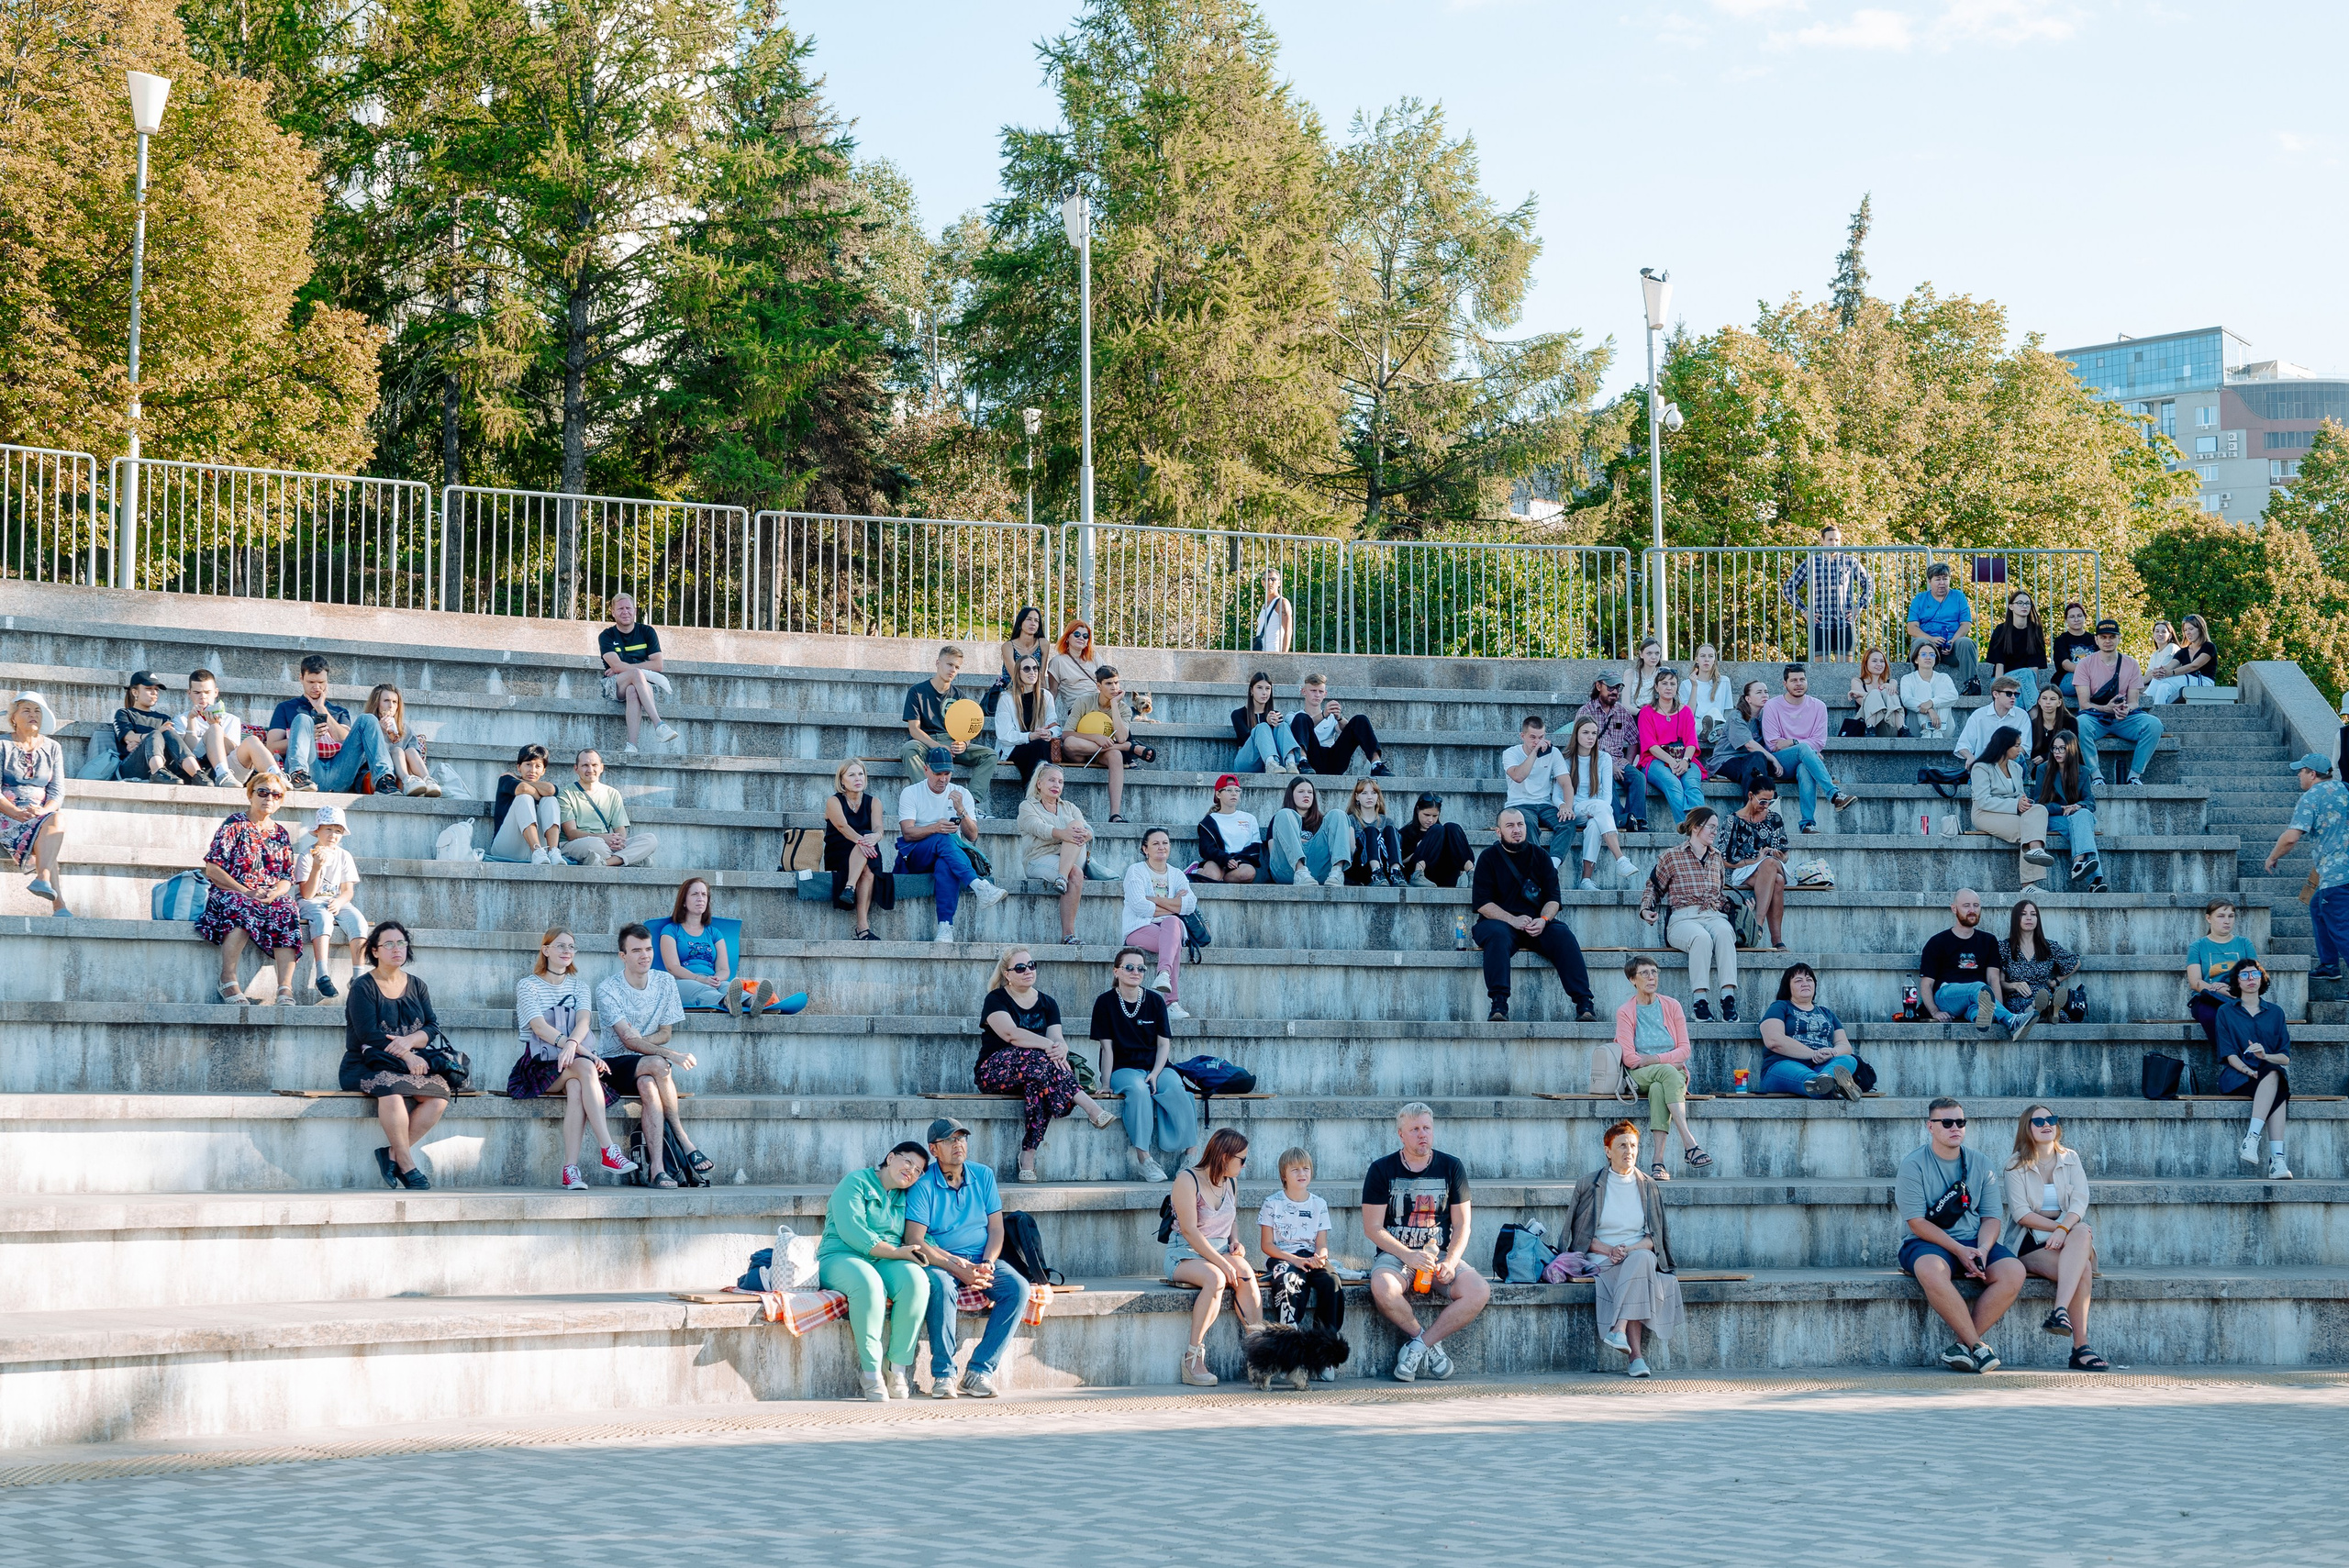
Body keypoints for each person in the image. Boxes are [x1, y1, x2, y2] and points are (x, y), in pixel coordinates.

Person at [1362, 1104, 1488, 1382]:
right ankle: (1424, 1341)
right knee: (1382, 1288)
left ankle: (1420, 1345)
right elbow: (1372, 1228)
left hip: (1439, 1254)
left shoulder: (1451, 1166)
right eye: (1415, 1129)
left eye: (1427, 1128)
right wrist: (1408, 1255)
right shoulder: (1381, 1169)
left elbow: (1463, 1224)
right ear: (1401, 1134)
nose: (1422, 1135)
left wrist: (1452, 1261)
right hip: (1397, 1254)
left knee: (1479, 1291)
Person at [1898, 1097, 2023, 1373]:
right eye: (1947, 1122)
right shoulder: (1913, 1164)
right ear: (1930, 1126)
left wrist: (1983, 1250)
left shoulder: (1981, 1162)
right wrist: (1957, 1250)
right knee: (1930, 1270)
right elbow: (1917, 1222)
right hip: (1928, 1241)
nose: (1955, 1127)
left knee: (2014, 1271)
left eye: (1960, 1122)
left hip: (1974, 1241)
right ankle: (1978, 1345)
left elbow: (1992, 1217)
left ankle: (1961, 1346)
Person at [904, 1117, 1026, 1400]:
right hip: (941, 1260)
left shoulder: (983, 1175)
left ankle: (979, 1372)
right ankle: (944, 1374)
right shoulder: (923, 1186)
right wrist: (958, 1269)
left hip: (981, 1257)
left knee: (1017, 1288)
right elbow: (914, 1240)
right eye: (949, 1140)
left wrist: (988, 1262)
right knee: (943, 1287)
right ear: (934, 1149)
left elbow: (996, 1228)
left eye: (961, 1138)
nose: (958, 1144)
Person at [507, 927, 639, 1190]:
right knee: (586, 1068)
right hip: (540, 1064)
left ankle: (571, 1170)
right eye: (560, 946)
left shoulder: (580, 986)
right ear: (546, 950)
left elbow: (584, 1021)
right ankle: (608, 1149)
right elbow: (538, 1027)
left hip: (574, 1059)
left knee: (578, 1083)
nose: (567, 951)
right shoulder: (528, 985)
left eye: (571, 947)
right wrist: (570, 1046)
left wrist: (574, 1045)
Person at [977, 945, 1113, 1182]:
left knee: (1039, 1083)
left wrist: (1061, 1048)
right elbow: (1011, 1035)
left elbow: (1057, 1038)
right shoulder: (996, 999)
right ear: (1007, 974)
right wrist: (1049, 1047)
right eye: (1020, 968)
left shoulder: (1048, 1003)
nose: (1028, 970)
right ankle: (1091, 1108)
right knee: (1037, 1058)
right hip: (995, 1071)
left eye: (1031, 965)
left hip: (1037, 1072)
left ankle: (1027, 1156)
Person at [817, 1140, 933, 1401]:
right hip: (842, 1255)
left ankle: (897, 1368)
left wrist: (951, 1260)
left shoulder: (906, 1197)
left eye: (918, 1171)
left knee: (917, 1282)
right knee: (869, 1285)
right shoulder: (855, 1182)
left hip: (886, 1259)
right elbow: (853, 1232)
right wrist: (896, 1253)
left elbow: (921, 1236)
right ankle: (871, 1373)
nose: (911, 1172)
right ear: (891, 1157)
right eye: (908, 1162)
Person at [596, 922, 710, 1186]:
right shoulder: (607, 989)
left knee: (648, 1083)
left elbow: (665, 1032)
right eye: (636, 950)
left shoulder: (665, 981)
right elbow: (627, 1041)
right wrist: (672, 1055)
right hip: (614, 1064)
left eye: (648, 949)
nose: (645, 955)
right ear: (622, 956)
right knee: (660, 1064)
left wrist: (642, 1042)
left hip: (645, 1065)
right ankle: (684, 1139)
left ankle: (657, 1169)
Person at [1569, 1118, 1684, 1377]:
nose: (1628, 1151)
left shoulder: (1648, 1185)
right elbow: (1581, 1235)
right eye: (1622, 1145)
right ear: (1608, 1151)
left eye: (1633, 1145)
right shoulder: (1589, 1184)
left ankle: (1618, 1330)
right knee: (1640, 1269)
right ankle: (1636, 1357)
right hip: (1600, 1257)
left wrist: (1628, 1252)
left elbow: (1655, 1237)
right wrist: (1609, 1250)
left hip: (1633, 1255)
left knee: (1641, 1259)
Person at [340, 921, 450, 1189]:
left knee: (439, 1096)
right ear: (375, 951)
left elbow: (432, 1026)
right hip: (366, 1064)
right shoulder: (363, 987)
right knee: (391, 1089)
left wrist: (411, 1042)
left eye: (401, 943)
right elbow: (369, 1034)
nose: (396, 949)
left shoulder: (417, 985)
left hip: (406, 1066)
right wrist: (409, 1056)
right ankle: (407, 1164)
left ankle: (390, 1154)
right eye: (388, 944)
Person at [2002, 1105, 2107, 1370]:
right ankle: (2081, 1349)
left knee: (2081, 1229)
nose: (2046, 1124)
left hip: (2067, 1233)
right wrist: (2057, 1230)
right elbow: (2021, 1214)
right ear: (2027, 1128)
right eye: (2038, 1121)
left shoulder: (2071, 1158)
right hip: (2030, 1239)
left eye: (2051, 1119)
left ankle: (2059, 1311)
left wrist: (2063, 1230)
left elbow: (2080, 1202)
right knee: (2081, 1267)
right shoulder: (2015, 1164)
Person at [1472, 806, 1597, 1024]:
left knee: (1563, 936)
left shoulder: (1540, 856)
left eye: (1520, 824)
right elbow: (1482, 903)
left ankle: (1584, 1003)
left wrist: (1544, 919)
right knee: (1497, 937)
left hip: (1536, 923)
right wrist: (1512, 920)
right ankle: (1499, 1004)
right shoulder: (1488, 858)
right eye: (1510, 825)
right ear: (1498, 832)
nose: (1517, 830)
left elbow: (1553, 899)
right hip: (1500, 922)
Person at [195, 772, 304, 1003]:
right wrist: (245, 890)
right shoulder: (235, 824)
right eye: (262, 792)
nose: (269, 798)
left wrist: (276, 892)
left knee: (287, 907)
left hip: (266, 894)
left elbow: (286, 877)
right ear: (250, 794)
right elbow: (213, 869)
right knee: (243, 905)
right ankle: (227, 979)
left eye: (276, 795)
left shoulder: (281, 834)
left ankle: (285, 987)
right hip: (231, 891)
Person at [1169, 1129, 1265, 1386]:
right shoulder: (1187, 1180)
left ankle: (1258, 1353)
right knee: (1216, 1278)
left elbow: (1231, 1217)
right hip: (1185, 1254)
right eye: (1241, 1160)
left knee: (1245, 1273)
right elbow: (1189, 1231)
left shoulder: (1231, 1181)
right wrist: (1221, 1262)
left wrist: (1234, 1241)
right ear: (1224, 1156)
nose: (1244, 1165)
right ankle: (1193, 1358)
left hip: (1220, 1251)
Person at [1091, 946, 1196, 1182]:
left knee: (1176, 1086)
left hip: (1157, 1065)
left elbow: (1163, 1044)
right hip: (1123, 1068)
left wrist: (1157, 1072)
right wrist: (1105, 1083)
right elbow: (1106, 1048)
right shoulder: (1105, 1002)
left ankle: (1191, 1154)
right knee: (1139, 1091)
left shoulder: (1155, 1001)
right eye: (1129, 967)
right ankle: (1144, 1159)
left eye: (1141, 968)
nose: (1135, 972)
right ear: (1116, 971)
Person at [897, 745, 1008, 944]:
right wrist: (934, 828)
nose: (943, 779)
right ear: (926, 770)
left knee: (945, 863)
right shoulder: (911, 792)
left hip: (947, 855)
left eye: (947, 773)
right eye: (938, 773)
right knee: (943, 837)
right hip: (915, 854)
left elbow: (972, 835)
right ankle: (979, 885)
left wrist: (961, 811)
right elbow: (908, 833)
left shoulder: (961, 794)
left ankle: (945, 927)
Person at [1612, 954, 1711, 1176]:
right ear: (1632, 980)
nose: (1651, 977)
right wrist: (1664, 1061)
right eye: (1645, 973)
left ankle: (1658, 1162)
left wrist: (1655, 1059)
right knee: (1668, 1072)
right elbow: (1630, 1058)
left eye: (1654, 972)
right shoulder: (1626, 1011)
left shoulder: (1672, 1006)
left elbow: (1685, 1050)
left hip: (1666, 1074)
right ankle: (1689, 1142)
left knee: (1660, 1087)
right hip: (1638, 1075)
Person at [1640, 808, 1741, 1023]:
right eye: (1711, 827)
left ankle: (1728, 998)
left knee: (1724, 933)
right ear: (1696, 827)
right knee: (1701, 938)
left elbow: (1719, 893)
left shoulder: (1716, 857)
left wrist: (1738, 909)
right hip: (1682, 917)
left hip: (1713, 915)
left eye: (1716, 827)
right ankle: (1700, 1001)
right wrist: (1646, 908)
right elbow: (1654, 887)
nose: (1715, 831)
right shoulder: (1672, 856)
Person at [2266, 754, 2349, 984]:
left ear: (2312, 774)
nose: (2298, 775)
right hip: (2337, 873)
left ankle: (2332, 964)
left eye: (2301, 771)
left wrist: (2272, 857)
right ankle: (2330, 965)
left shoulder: (2312, 796)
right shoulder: (2346, 788)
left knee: (2342, 929)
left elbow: (2291, 838)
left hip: (2337, 876)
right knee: (2317, 906)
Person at [1259, 1147, 1343, 1365]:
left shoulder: (1319, 1204)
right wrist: (1293, 1260)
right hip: (1283, 1256)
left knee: (1332, 1282)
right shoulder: (1272, 1203)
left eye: (1305, 1168)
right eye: (1294, 1169)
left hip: (1310, 1255)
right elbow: (1267, 1245)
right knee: (1291, 1280)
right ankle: (1290, 1343)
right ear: (1283, 1175)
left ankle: (1324, 1352)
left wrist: (1320, 1258)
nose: (1301, 1173)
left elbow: (1322, 1245)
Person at [266, 653, 394, 794]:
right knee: (303, 719)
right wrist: (306, 737)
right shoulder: (285, 708)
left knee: (368, 719)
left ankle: (384, 779)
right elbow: (272, 747)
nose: (316, 687)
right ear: (301, 678)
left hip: (340, 773)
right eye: (311, 682)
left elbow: (345, 740)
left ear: (327, 680)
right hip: (309, 772)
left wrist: (321, 709)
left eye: (321, 683)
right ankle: (298, 775)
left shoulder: (339, 711)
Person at [2215, 961, 2293, 1179]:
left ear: (2262, 978)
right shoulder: (2225, 1012)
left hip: (2269, 1074)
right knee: (2277, 1085)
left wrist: (2265, 1056)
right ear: (2236, 982)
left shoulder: (2275, 1012)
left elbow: (2284, 1057)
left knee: (2273, 1072)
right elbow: (2229, 1054)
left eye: (2255, 974)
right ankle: (2277, 1160)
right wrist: (2249, 1071)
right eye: (2245, 975)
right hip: (2237, 1076)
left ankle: (2254, 1141)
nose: (2251, 979)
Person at [1922, 889, 2032, 1039]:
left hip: (1979, 998)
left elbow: (1993, 978)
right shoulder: (1937, 942)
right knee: (1979, 988)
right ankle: (2012, 1020)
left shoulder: (1989, 941)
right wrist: (1935, 1012)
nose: (1972, 910)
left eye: (1976, 905)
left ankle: (1985, 1017)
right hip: (1947, 996)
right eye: (1966, 906)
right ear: (1954, 908)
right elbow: (1927, 984)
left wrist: (1997, 1008)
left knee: (1978, 1010)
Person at [902, 645, 1000, 812]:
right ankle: (927, 798)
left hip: (953, 742)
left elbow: (968, 730)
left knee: (989, 755)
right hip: (927, 742)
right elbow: (914, 730)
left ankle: (970, 803)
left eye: (957, 667)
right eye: (949, 665)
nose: (953, 670)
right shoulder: (917, 691)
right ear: (938, 663)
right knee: (908, 749)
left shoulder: (959, 696)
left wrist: (965, 744)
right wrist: (938, 746)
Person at [1760, 664, 1855, 834]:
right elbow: (1773, 743)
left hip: (1804, 759)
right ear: (1785, 683)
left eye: (1802, 679)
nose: (1799, 683)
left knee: (1806, 767)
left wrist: (1793, 743)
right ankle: (1834, 794)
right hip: (1779, 761)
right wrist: (1803, 746)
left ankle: (1808, 824)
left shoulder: (1818, 706)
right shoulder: (1772, 706)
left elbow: (1819, 742)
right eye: (1794, 680)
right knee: (1804, 749)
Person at [651, 876, 768, 1015]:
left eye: (704, 894)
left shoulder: (714, 933)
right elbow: (673, 967)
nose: (700, 898)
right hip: (683, 981)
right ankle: (726, 1001)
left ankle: (752, 1001)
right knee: (701, 990)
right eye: (694, 894)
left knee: (726, 986)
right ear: (683, 901)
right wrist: (700, 979)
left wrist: (717, 979)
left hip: (710, 980)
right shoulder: (671, 930)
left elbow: (723, 969)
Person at [2071, 619, 2162, 786]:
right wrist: (2106, 708)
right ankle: (2096, 776)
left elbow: (2134, 702)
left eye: (2112, 637)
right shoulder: (2084, 664)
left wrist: (2126, 709)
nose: (2107, 641)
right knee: (2079, 723)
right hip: (2095, 717)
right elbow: (2084, 704)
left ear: (2119, 639)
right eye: (2103, 637)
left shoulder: (2131, 663)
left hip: (2123, 718)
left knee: (2154, 724)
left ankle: (2134, 776)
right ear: (2096, 640)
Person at [2, 691, 69, 917]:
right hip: (6, 813)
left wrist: (42, 810)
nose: (33, 715)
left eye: (38, 711)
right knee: (48, 839)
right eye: (27, 710)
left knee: (56, 819)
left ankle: (42, 879)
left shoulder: (53, 747)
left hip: (39, 813)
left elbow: (57, 793)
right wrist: (14, 811)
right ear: (14, 718)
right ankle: (59, 906)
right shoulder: (2, 744)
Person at [294, 804, 368, 1000]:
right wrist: (317, 867)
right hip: (311, 902)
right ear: (317, 830)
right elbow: (307, 894)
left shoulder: (344, 856)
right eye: (328, 829)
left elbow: (348, 891)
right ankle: (322, 975)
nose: (333, 835)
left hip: (336, 901)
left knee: (359, 922)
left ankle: (358, 976)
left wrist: (340, 901)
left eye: (338, 831)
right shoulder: (306, 856)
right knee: (323, 917)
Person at [1122, 828, 1197, 1020]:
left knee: (1173, 924)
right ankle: (1171, 1003)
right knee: (1173, 940)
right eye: (1156, 843)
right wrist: (1175, 905)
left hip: (1168, 928)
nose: (1161, 847)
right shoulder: (1136, 871)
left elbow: (1190, 905)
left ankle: (1163, 973)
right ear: (1145, 849)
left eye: (1165, 843)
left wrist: (1152, 899)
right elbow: (1139, 907)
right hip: (1139, 928)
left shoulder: (1177, 874)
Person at [1757, 961, 1860, 1100]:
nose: (1805, 983)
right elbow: (1774, 1041)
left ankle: (1827, 1081)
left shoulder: (1826, 1013)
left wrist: (1832, 1052)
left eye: (1809, 979)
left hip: (1823, 1066)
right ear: (1788, 987)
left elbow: (1844, 1045)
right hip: (1784, 1065)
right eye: (1798, 980)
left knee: (1850, 1059)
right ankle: (1827, 1085)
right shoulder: (1780, 1007)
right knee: (1807, 1078)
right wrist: (1813, 1053)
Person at [1062, 665, 1152, 822]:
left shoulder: (1124, 709)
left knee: (1116, 755)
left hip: (1104, 753)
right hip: (1079, 751)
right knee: (1070, 742)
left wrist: (1115, 705)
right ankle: (1128, 749)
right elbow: (1066, 734)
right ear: (1099, 686)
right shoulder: (1083, 701)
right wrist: (1095, 737)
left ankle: (1115, 814)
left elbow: (1122, 737)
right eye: (1109, 684)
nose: (1114, 687)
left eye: (1116, 683)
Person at [1972, 726, 2057, 888]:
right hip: (1985, 813)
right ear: (2004, 746)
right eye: (2017, 745)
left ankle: (2035, 850)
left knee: (2040, 809)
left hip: (2013, 811)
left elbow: (2019, 794)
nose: (2020, 749)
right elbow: (1983, 800)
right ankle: (2028, 885)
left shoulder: (2016, 768)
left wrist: (2024, 802)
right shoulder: (1981, 767)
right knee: (2028, 830)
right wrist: (2015, 805)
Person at [1564, 716, 1640, 892]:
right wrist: (1565, 807)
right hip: (1574, 809)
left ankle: (1586, 880)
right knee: (1599, 809)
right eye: (1586, 733)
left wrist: (1597, 810)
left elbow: (1607, 795)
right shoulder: (1567, 758)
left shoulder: (1604, 758)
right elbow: (1558, 796)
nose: (1591, 737)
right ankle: (1620, 859)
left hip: (1597, 811)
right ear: (1576, 735)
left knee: (1594, 826)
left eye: (1594, 733)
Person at [1018, 763, 1091, 943]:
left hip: (1071, 856)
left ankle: (1061, 877)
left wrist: (1087, 834)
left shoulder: (1070, 807)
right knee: (1075, 873)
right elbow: (1038, 828)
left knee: (1076, 826)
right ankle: (1069, 935)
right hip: (1039, 859)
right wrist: (1063, 834)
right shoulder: (1028, 806)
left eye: (1060, 782)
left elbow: (1087, 828)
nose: (1056, 785)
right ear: (1039, 784)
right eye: (1051, 780)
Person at [597, 595, 679, 754]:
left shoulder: (647, 631)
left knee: (633, 690)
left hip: (640, 685)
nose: (625, 612)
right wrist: (625, 668)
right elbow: (615, 666)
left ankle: (632, 745)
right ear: (613, 612)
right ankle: (659, 725)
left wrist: (623, 667)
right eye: (620, 609)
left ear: (635, 611)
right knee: (635, 674)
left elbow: (658, 664)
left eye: (628, 608)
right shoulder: (606, 636)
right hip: (614, 683)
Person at [1780, 522, 1875, 661]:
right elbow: (1788, 588)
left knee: (1844, 670)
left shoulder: (1850, 561)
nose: (1834, 543)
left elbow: (1870, 585)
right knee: (1820, 670)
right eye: (1830, 539)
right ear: (1822, 541)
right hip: (1820, 622)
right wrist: (1804, 610)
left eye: (1837, 540)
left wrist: (1859, 607)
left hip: (1844, 621)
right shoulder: (1812, 562)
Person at [822, 759, 894, 940]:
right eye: (851, 775)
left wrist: (876, 837)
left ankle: (851, 891)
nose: (858, 778)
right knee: (866, 843)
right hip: (839, 851)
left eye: (860, 774)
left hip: (866, 852)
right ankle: (862, 928)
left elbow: (878, 828)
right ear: (842, 780)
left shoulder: (873, 802)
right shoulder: (834, 801)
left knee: (868, 867)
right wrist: (865, 841)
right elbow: (842, 827)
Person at [555, 749, 659, 868]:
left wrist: (618, 842)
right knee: (595, 845)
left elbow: (620, 830)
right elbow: (571, 834)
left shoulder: (612, 793)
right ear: (576, 769)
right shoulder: (565, 793)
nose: (590, 770)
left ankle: (606, 862)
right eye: (585, 765)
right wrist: (603, 838)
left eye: (594, 765)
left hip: (607, 844)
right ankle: (630, 859)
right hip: (578, 844)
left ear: (601, 768)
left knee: (650, 839)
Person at [1721, 775, 1788, 950]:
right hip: (1742, 869)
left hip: (1769, 867)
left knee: (1770, 864)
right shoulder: (1733, 820)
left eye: (1770, 802)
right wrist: (1755, 860)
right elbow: (1724, 859)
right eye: (1763, 801)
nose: (1766, 806)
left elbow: (1786, 854)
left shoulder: (1774, 818)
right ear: (1751, 795)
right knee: (1777, 879)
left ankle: (1758, 926)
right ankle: (1775, 939)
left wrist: (1780, 856)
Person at [1637, 669, 1708, 828]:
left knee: (1692, 784)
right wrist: (1672, 762)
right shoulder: (1646, 713)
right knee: (1673, 783)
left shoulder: (1686, 711)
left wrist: (1685, 761)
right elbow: (1651, 746)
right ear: (1656, 687)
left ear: (1676, 687)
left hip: (1685, 757)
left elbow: (1691, 742)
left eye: (1672, 683)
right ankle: (1689, 829)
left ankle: (1701, 825)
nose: (1669, 687)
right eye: (1664, 683)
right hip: (1656, 760)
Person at [1574, 674, 1646, 831]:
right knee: (1607, 783)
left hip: (1618, 760)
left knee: (1638, 778)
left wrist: (1627, 760)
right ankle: (1621, 820)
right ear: (1599, 686)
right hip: (1595, 761)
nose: (1615, 692)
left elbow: (1634, 740)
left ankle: (1637, 820)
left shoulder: (1622, 712)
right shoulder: (1586, 711)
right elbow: (1579, 742)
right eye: (1611, 687)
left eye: (1618, 688)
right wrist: (1609, 765)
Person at [1501, 714, 1575, 865]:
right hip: (1519, 804)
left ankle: (1552, 865)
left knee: (1568, 822)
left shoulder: (1553, 753)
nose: (1537, 741)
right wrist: (1535, 753)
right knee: (1526, 823)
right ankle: (1535, 867)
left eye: (1541, 737)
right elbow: (1518, 776)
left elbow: (1566, 783)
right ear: (1522, 736)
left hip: (1544, 804)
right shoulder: (1510, 753)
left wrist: (1567, 807)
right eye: (1533, 737)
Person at [110, 669, 206, 784]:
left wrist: (141, 742)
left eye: (156, 689)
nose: (154, 692)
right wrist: (154, 734)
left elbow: (170, 745)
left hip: (165, 765)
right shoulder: (124, 714)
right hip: (131, 767)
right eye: (148, 689)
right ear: (135, 692)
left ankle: (197, 774)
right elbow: (129, 737)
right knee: (156, 734)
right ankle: (158, 773)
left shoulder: (164, 718)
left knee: (169, 733)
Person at [2033, 731, 2103, 890]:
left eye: (2062, 748)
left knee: (2083, 814)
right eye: (2054, 748)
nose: (2057, 752)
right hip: (2052, 816)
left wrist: (2077, 806)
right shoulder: (2043, 769)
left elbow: (2090, 802)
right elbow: (2038, 803)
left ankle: (2079, 863)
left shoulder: (2083, 771)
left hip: (2075, 816)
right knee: (2082, 828)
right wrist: (2061, 808)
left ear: (2071, 749)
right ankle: (2095, 879)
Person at [183, 668, 273, 787]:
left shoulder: (231, 719)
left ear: (216, 692)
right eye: (197, 692)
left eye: (207, 692)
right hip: (200, 771)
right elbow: (189, 754)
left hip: (232, 772)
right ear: (189, 693)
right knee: (214, 729)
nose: (203, 697)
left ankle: (276, 775)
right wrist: (191, 721)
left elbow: (233, 751)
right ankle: (222, 774)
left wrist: (217, 727)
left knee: (252, 740)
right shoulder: (182, 719)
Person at [2186, 899, 2257, 1050]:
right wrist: (2217, 989)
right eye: (2221, 916)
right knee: (2211, 1017)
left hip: (2240, 996)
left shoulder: (2244, 943)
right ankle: (2230, 1060)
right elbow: (2195, 982)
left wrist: (2232, 990)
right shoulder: (2197, 946)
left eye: (2231, 916)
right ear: (2208, 918)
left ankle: (2250, 1060)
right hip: (2207, 999)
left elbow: (2255, 976)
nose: (2227, 921)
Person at [1998, 898, 2080, 1029]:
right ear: (2015, 919)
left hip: (2043, 994)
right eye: (2023, 914)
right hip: (2017, 997)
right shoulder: (2005, 947)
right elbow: (1999, 982)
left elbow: (2076, 962)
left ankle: (2046, 1009)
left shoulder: (2048, 946)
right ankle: (2040, 1010)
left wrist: (2056, 981)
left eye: (2033, 914)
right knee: (2022, 1008)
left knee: (2045, 998)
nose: (2029, 918)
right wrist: (2014, 985)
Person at [1288, 674, 1389, 778]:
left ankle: (1376, 764)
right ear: (1304, 691)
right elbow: (1300, 729)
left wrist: (1339, 718)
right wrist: (1323, 715)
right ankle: (1302, 761)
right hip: (1311, 760)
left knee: (1360, 719)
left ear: (1325, 694)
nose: (1317, 695)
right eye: (1313, 691)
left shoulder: (1331, 716)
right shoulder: (1293, 716)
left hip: (1334, 761)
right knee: (1302, 718)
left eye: (1321, 691)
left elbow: (1351, 731)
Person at [1903, 562, 1981, 695]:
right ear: (1929, 581)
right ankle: (1916, 684)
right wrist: (1931, 639)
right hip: (1929, 645)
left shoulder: (1958, 597)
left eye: (1945, 579)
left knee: (1966, 642)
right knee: (1919, 643)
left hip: (1952, 647)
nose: (1942, 583)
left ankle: (1972, 684)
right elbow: (1911, 627)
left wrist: (1952, 641)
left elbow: (1966, 624)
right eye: (1938, 579)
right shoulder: (1920, 599)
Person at [1267, 776, 1354, 888]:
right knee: (1284, 813)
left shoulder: (1323, 822)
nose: (1306, 795)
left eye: (1310, 792)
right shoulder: (1281, 818)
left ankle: (1337, 872)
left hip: (1320, 871)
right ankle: (1300, 871)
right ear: (1291, 794)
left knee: (1338, 814)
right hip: (1288, 871)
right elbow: (1274, 851)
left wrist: (1299, 841)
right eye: (1301, 791)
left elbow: (1350, 849)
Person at [487, 743, 562, 865]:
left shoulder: (542, 786)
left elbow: (550, 790)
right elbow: (522, 788)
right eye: (528, 765)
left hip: (545, 852)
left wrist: (519, 779)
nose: (532, 770)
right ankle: (536, 850)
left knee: (550, 800)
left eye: (538, 766)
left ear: (543, 771)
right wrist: (536, 793)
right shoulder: (506, 779)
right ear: (519, 767)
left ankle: (554, 851)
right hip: (507, 846)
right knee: (524, 797)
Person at [993, 653, 1059, 786]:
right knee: (1039, 746)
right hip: (1013, 748)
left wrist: (1049, 733)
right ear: (1018, 672)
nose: (1032, 672)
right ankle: (1039, 793)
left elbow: (1056, 727)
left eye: (1035, 668)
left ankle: (1036, 794)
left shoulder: (1046, 696)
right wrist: (1030, 736)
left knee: (1041, 744)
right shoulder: (1007, 698)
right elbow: (1004, 735)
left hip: (1039, 746)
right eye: (1027, 669)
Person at [363, 684, 438, 797]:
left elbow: (414, 759)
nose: (391, 706)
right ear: (376, 703)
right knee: (397, 750)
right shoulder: (367, 727)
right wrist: (381, 732)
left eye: (394, 702)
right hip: (378, 778)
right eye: (386, 701)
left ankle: (428, 780)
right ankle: (407, 781)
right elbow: (363, 759)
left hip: (406, 778)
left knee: (410, 751)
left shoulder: (405, 730)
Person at [1708, 680, 1779, 794]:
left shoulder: (1766, 717)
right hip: (1727, 759)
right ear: (1748, 699)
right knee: (1755, 767)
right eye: (1759, 692)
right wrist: (1774, 759)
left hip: (1753, 760)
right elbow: (1750, 745)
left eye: (1766, 692)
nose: (1764, 695)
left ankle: (1755, 807)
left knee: (1755, 767)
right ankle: (1760, 806)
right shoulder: (1737, 716)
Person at [1983, 589, 2048, 710]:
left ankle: (2017, 723)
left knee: (2023, 683)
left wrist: (2036, 690)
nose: (2024, 606)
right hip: (2001, 679)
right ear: (2011, 606)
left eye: (2027, 603)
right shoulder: (2001, 630)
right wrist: (2000, 690)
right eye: (2020, 603)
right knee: (2022, 678)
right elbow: (1999, 665)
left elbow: (2034, 667)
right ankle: (2036, 719)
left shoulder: (2035, 631)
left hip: (2025, 682)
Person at [1230, 671, 1306, 773]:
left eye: (1268, 688)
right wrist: (1266, 722)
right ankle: (1270, 764)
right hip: (1247, 762)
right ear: (1251, 691)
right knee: (1262, 727)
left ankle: (1290, 763)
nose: (1264, 692)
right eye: (1259, 688)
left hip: (1278, 763)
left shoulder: (1275, 714)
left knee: (1282, 725)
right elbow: (1246, 738)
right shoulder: (1237, 714)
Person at [1193, 773, 1262, 885]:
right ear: (1218, 794)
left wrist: (1236, 860)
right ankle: (1197, 871)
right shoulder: (1209, 821)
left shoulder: (1250, 818)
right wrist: (1225, 859)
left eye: (1237, 790)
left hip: (1240, 863)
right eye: (1229, 790)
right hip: (1218, 860)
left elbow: (1255, 848)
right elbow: (1207, 849)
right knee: (1212, 874)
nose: (1234, 793)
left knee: (1248, 873)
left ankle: (1220, 878)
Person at [1398, 792, 1474, 889]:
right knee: (1437, 829)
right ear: (1417, 810)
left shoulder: (1446, 833)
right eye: (1426, 815)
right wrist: (1420, 849)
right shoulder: (1406, 833)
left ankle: (1472, 873)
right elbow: (1400, 862)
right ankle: (1418, 875)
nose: (1430, 820)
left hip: (1444, 876)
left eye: (1435, 816)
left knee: (1452, 827)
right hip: (1419, 875)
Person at [1953, 676, 2029, 769]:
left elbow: (2025, 747)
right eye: (2009, 694)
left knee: (2018, 759)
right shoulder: (1979, 715)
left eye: (2016, 694)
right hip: (1985, 765)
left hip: (2010, 764)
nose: (2013, 697)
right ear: (1996, 694)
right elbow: (1963, 745)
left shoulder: (2022, 715)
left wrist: (2002, 757)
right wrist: (1970, 757)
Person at [1341, 778, 1404, 886]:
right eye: (1364, 793)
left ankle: (1396, 873)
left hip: (1384, 868)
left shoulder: (1386, 821)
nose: (1369, 797)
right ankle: (1376, 872)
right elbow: (1352, 850)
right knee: (1370, 830)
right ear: (1357, 797)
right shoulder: (1351, 820)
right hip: (1361, 866)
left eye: (1374, 793)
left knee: (1390, 830)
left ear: (1378, 796)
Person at [2147, 613, 2218, 706]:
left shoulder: (2209, 647)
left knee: (2161, 679)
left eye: (2191, 629)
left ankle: (2143, 703)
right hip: (2187, 682)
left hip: (2204, 682)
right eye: (2185, 630)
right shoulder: (2183, 652)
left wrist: (2171, 673)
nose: (2187, 633)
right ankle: (2157, 716)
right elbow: (2169, 666)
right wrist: (2160, 671)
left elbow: (2194, 666)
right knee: (2163, 687)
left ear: (2200, 629)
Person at [1900, 643, 1960, 740]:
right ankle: (1926, 730)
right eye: (1923, 654)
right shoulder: (1907, 679)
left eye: (1932, 654)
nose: (1928, 657)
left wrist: (1932, 703)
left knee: (1942, 686)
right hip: (1917, 728)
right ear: (1916, 660)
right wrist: (1929, 710)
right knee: (1923, 686)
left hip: (1945, 728)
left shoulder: (1944, 677)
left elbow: (1954, 696)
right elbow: (1907, 700)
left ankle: (1938, 730)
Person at [2047, 601, 2099, 709]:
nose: (2076, 619)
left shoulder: (2093, 639)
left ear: (2085, 617)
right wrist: (2088, 672)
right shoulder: (2061, 640)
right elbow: (2066, 664)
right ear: (2066, 620)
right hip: (2067, 680)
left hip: (2091, 678)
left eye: (2079, 616)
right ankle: (2086, 711)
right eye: (2072, 617)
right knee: (2086, 680)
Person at [991, 605, 1048, 698]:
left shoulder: (1043, 644)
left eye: (1036, 621)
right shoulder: (1008, 646)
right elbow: (1016, 676)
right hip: (1011, 691)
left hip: (1034, 690)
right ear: (1020, 622)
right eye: (1029, 619)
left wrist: (1044, 697)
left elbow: (1041, 676)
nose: (1033, 623)